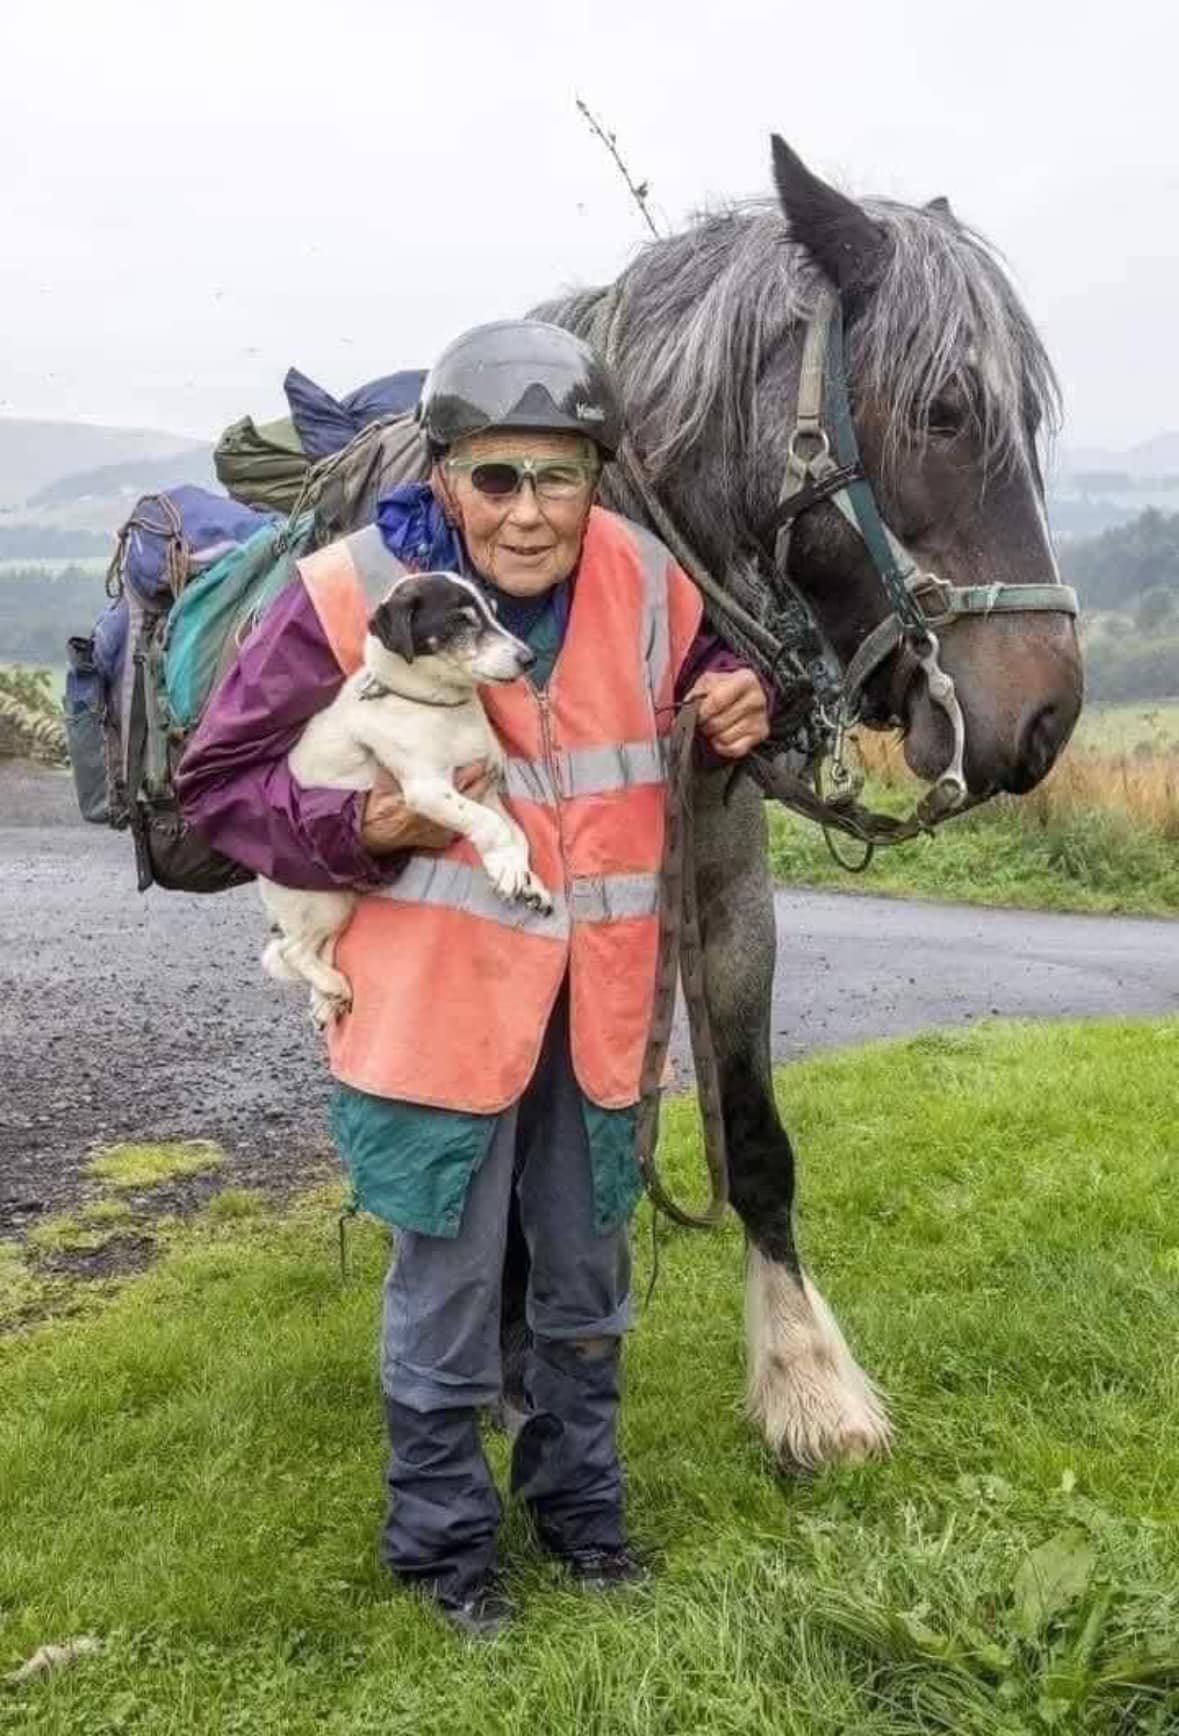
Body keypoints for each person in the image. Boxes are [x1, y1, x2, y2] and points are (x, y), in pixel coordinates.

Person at [177, 321, 770, 1638]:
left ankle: (584, 1523)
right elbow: (217, 785)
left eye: (559, 476)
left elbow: (708, 675)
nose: (528, 510)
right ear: (444, 476)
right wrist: (362, 828)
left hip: (595, 1013)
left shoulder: (645, 577)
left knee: (585, 1285)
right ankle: (444, 1553)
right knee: (445, 1296)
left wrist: (740, 694)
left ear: (598, 477)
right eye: (497, 477)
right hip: (437, 1018)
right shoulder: (349, 591)